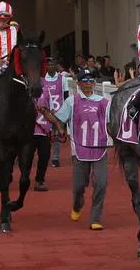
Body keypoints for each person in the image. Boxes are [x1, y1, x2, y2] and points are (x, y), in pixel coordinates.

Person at [42, 69, 111, 231]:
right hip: (80, 148)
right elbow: (58, 119)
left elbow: (110, 123)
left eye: (91, 80)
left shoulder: (104, 102)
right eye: (84, 81)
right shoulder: (72, 101)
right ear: (78, 84)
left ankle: (95, 218)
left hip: (100, 147)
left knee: (101, 183)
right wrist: (45, 113)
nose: (88, 83)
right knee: (79, 185)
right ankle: (77, 203)